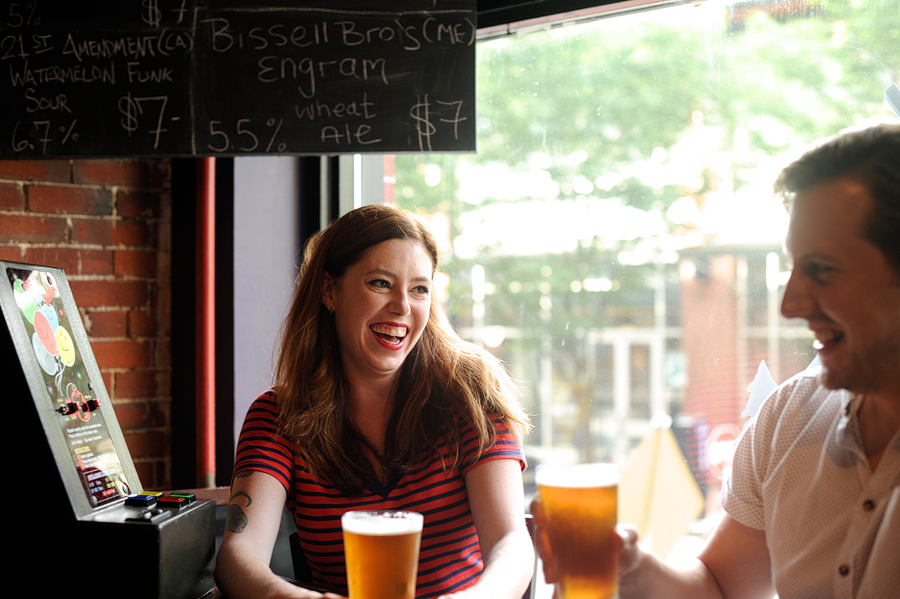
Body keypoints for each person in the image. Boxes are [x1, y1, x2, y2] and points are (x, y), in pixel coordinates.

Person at [532, 123, 900, 599]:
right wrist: (632, 568)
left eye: (822, 270)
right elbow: (721, 588)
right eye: (792, 268)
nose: (790, 305)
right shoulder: (787, 419)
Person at [215, 205, 534, 599]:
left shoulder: (470, 394)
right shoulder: (279, 416)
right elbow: (237, 557)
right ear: (329, 291)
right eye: (381, 283)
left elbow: (512, 543)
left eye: (419, 288)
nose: (402, 306)